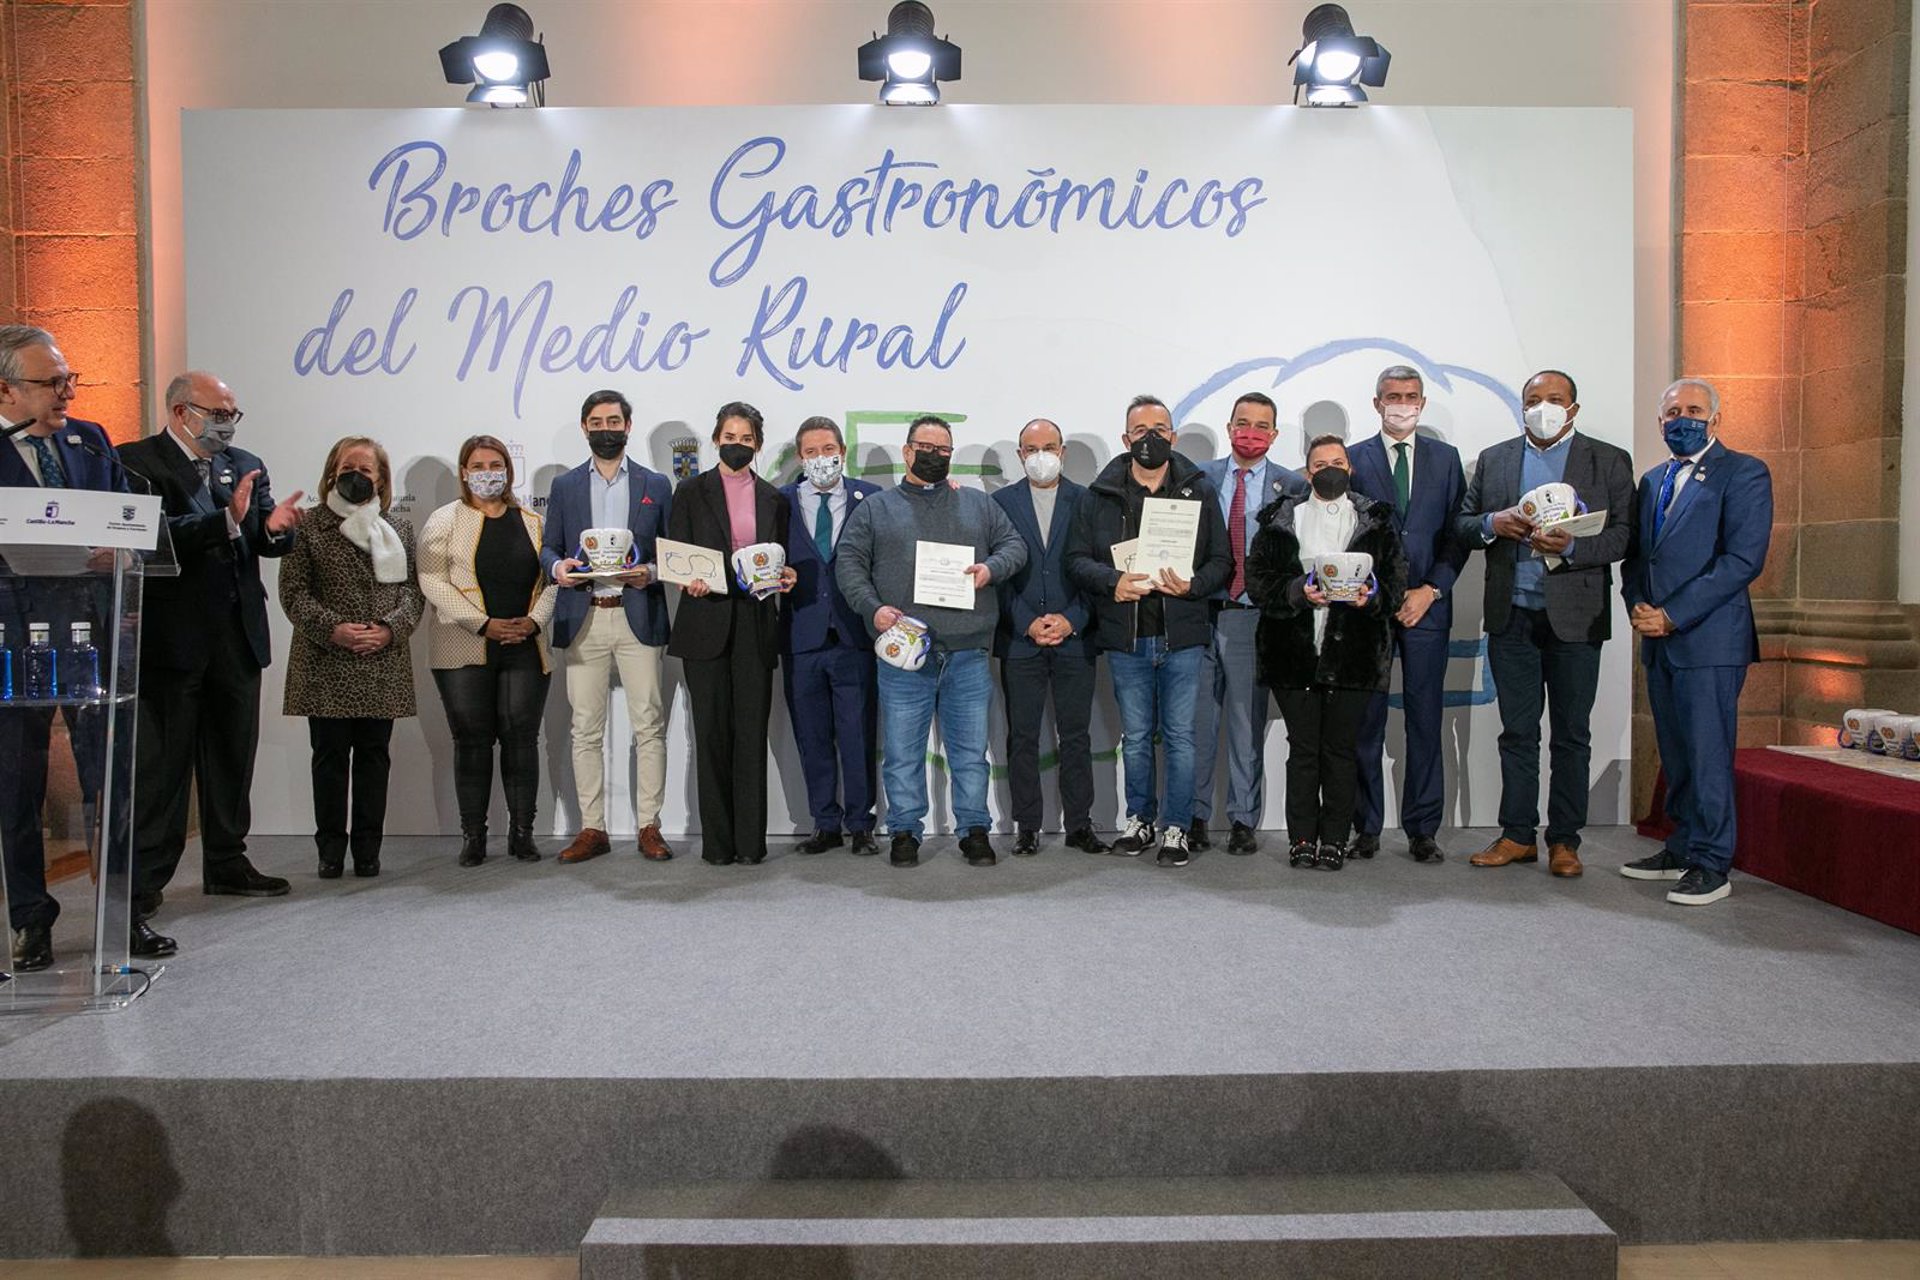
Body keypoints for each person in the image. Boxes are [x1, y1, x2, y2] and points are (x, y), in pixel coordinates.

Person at [118, 370, 303, 960]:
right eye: (216, 411)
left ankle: (226, 861)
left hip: (236, 637)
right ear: (180, 411)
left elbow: (266, 536)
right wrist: (224, 522)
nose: (226, 423)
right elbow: (144, 535)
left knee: (230, 755)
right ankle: (144, 887)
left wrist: (274, 531)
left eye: (232, 413)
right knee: (163, 769)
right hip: (171, 643)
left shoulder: (244, 461)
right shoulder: (134, 462)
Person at [1454, 370, 1634, 878]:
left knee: (1572, 734)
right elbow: (1464, 524)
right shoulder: (1496, 459)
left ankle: (1564, 841)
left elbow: (1625, 535)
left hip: (1577, 617)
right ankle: (1516, 835)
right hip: (1512, 616)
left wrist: (1575, 548)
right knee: (1517, 733)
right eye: (1533, 399)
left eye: (1554, 399)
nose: (1543, 407)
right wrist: (1494, 524)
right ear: (1521, 406)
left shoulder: (1608, 459)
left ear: (1573, 408)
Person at [836, 414, 1027, 868]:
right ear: (907, 452)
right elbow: (849, 564)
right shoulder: (876, 509)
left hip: (967, 653)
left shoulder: (978, 505)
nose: (936, 456)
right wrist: (873, 608)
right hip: (903, 655)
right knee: (902, 754)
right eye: (927, 447)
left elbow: (1014, 546)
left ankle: (974, 829)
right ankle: (904, 831)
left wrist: (990, 569)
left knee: (969, 754)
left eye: (944, 450)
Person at [0, 326, 126, 973]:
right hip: (13, 643)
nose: (65, 392)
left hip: (90, 636)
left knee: (107, 780)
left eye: (68, 379)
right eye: (51, 383)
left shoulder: (92, 440)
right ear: (8, 389)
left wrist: (123, 548)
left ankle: (120, 920)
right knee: (17, 789)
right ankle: (31, 920)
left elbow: (131, 514)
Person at [1620, 378, 1772, 906]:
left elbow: (1741, 560)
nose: (1681, 419)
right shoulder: (1653, 479)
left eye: (1693, 410)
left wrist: (1673, 615)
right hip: (1657, 638)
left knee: (1708, 754)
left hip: (1708, 641)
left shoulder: (1743, 472)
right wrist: (1638, 607)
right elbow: (1640, 556)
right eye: (1672, 412)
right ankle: (1681, 845)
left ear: (1716, 419)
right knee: (1677, 752)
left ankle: (1712, 862)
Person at [1065, 394, 1232, 869]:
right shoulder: (1100, 495)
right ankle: (1140, 819)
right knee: (1136, 737)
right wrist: (1112, 582)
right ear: (1125, 438)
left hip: (1182, 634)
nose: (1151, 438)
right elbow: (1076, 561)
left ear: (1174, 436)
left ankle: (1177, 826)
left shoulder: (1198, 490)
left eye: (1160, 428)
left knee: (1180, 735)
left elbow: (1222, 560)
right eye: (1141, 430)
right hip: (1127, 636)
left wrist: (1195, 584)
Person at [1247, 435, 1407, 870]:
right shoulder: (1280, 518)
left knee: (1340, 750)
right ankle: (1302, 839)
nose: (1330, 469)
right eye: (1320, 463)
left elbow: (1393, 588)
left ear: (1350, 468)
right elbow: (1258, 583)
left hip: (1353, 655)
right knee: (1303, 751)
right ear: (1308, 471)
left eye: (1338, 461)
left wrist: (1369, 599)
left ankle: (1335, 838)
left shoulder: (1375, 521)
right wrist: (1299, 592)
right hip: (1291, 654)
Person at [278, 437, 423, 879]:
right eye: (347, 467)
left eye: (366, 469)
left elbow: (414, 593)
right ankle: (329, 851)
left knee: (375, 758)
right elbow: (293, 594)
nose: (355, 476)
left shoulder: (398, 529)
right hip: (326, 662)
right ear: (331, 472)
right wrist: (334, 630)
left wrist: (389, 629)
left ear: (381, 480)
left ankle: (367, 851)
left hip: (382, 660)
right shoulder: (307, 525)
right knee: (329, 758)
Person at [541, 391, 675, 865]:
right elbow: (549, 548)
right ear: (584, 428)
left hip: (638, 614)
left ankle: (649, 826)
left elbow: (670, 552)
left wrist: (652, 572)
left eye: (613, 421)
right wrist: (558, 568)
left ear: (628, 425)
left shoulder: (656, 484)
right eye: (596, 422)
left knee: (649, 726)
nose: (605, 428)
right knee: (585, 729)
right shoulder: (564, 487)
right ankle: (592, 828)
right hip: (584, 615)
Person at [1347, 365, 1468, 864]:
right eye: (1393, 396)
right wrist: (1373, 591)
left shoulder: (1446, 459)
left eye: (1411, 396)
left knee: (1425, 721)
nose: (1403, 404)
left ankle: (1423, 829)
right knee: (1365, 724)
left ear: (1422, 402)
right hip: (1368, 610)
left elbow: (1458, 534)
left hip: (1427, 610)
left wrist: (1431, 590)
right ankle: (1367, 827)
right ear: (1377, 403)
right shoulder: (1353, 459)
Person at [666, 402, 796, 866]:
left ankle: (750, 843)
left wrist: (788, 577)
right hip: (705, 621)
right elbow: (677, 554)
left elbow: (783, 560)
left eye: (746, 438)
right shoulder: (690, 491)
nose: (736, 444)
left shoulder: (775, 499)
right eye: (729, 436)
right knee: (711, 735)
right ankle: (717, 845)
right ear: (715, 438)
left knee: (750, 735)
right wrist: (687, 578)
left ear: (757, 444)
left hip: (756, 623)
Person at [418, 435, 555, 868]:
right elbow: (432, 580)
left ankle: (522, 834)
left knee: (521, 740)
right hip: (463, 647)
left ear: (508, 471)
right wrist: (483, 624)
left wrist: (534, 622)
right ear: (463, 472)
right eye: (477, 466)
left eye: (495, 464)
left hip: (525, 645)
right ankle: (473, 837)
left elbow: (552, 580)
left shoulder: (533, 521)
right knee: (472, 741)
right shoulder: (444, 520)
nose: (487, 473)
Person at [1192, 391, 1307, 854]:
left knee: (1245, 724)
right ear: (1229, 427)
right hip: (1200, 613)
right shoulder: (1200, 480)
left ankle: (1243, 819)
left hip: (1252, 618)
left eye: (1262, 426)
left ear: (1274, 435)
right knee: (1196, 726)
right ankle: (1194, 817)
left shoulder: (1292, 486)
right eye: (1243, 422)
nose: (1251, 432)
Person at [992, 418, 1107, 857]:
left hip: (1075, 638)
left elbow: (1100, 572)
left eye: (1049, 446)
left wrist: (1072, 619)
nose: (1041, 455)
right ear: (1020, 455)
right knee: (1022, 736)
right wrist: (1025, 621)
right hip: (1019, 640)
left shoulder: (1089, 501)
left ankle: (1079, 824)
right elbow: (996, 574)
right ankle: (1027, 825)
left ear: (1063, 451)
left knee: (1076, 735)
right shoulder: (999, 503)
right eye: (1031, 448)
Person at [779, 415, 882, 857]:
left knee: (858, 733)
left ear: (843, 451)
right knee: (812, 734)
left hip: (854, 635)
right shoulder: (778, 502)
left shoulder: (872, 499)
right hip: (801, 635)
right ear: (800, 457)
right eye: (811, 452)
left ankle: (861, 824)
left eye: (828, 450)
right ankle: (825, 822)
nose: (821, 459)